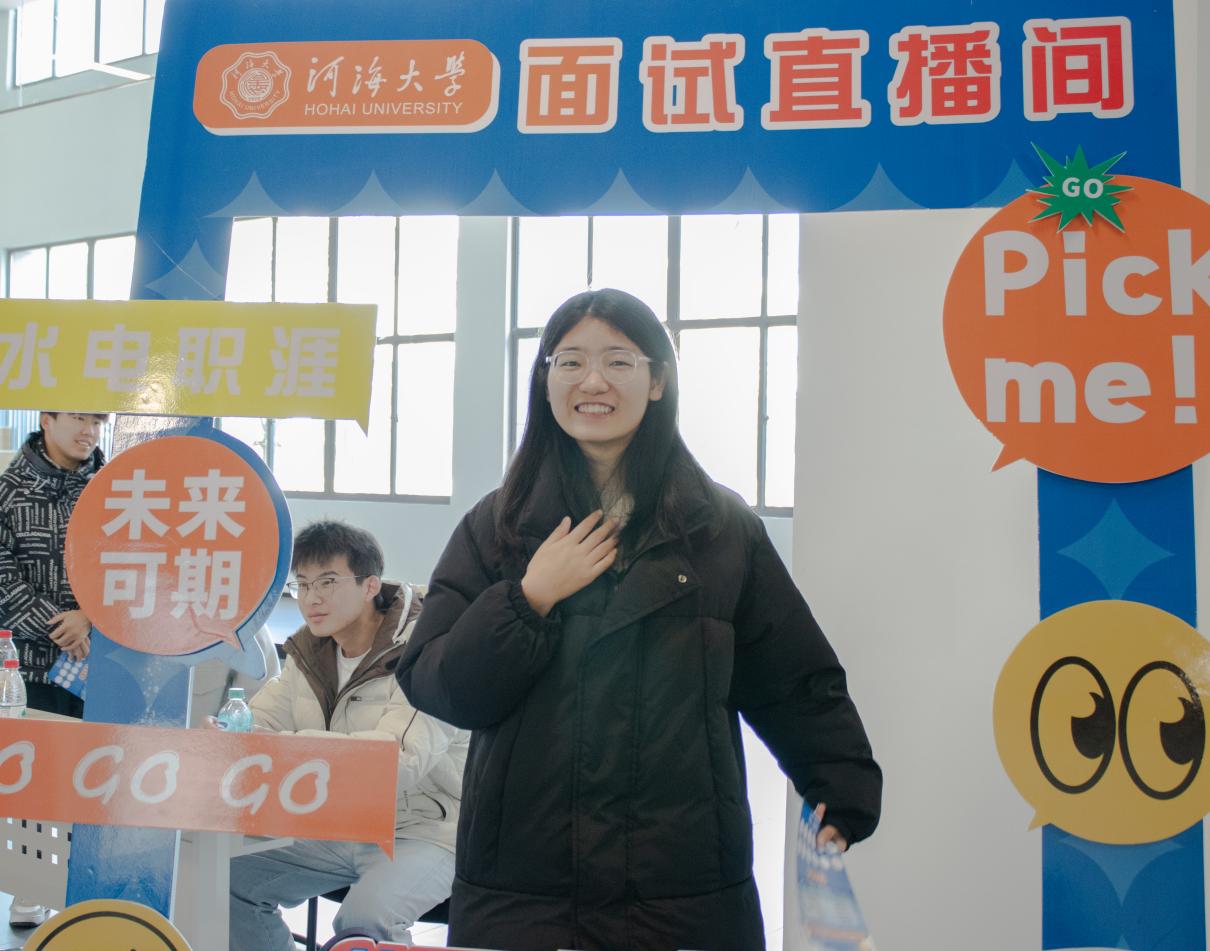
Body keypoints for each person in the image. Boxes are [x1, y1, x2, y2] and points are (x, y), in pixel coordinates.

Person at [397, 288, 882, 951]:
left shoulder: (720, 528)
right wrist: (527, 599)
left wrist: (839, 786)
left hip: (681, 889)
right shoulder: (498, 526)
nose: (592, 381)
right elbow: (440, 685)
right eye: (570, 361)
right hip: (528, 893)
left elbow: (793, 678)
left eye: (618, 361)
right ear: (545, 381)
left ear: (657, 381)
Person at [227, 520, 467, 951]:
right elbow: (256, 727)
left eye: (328, 582)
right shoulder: (310, 652)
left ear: (370, 585)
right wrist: (228, 736)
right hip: (341, 825)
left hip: (426, 830)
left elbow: (398, 762)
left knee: (364, 920)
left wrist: (289, 746)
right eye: (302, 584)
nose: (311, 598)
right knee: (228, 878)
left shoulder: (428, 650)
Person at [0, 410, 108, 927]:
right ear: (46, 419)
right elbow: (1, 576)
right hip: (31, 665)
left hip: (107, 661)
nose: (90, 431)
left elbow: (139, 562)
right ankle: (30, 888)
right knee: (38, 779)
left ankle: (90, 890)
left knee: (99, 776)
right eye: (79, 418)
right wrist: (56, 625)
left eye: (98, 420)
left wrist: (89, 617)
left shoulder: (120, 490)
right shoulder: (9, 491)